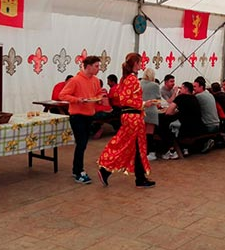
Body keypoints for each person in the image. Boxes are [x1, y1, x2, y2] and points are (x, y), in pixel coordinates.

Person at [97, 53, 156, 188]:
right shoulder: (132, 79)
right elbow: (126, 100)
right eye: (140, 62)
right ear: (135, 63)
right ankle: (106, 170)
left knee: (133, 147)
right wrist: (143, 104)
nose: (141, 65)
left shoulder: (125, 79)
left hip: (130, 116)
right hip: (133, 117)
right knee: (131, 146)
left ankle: (139, 178)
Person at [59, 56, 104, 184]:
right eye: (96, 66)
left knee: (83, 143)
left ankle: (76, 169)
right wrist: (77, 100)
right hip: (77, 115)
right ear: (88, 66)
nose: (98, 69)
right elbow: (62, 95)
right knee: (81, 143)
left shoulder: (95, 80)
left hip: (89, 115)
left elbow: (98, 93)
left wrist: (99, 98)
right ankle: (79, 171)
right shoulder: (75, 80)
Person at [160, 82, 205, 159]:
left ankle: (171, 150)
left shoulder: (181, 97)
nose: (180, 90)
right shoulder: (194, 98)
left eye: (182, 88)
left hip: (186, 129)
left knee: (163, 122)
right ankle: (184, 148)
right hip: (198, 127)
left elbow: (168, 112)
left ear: (186, 89)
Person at [193, 76, 220, 153]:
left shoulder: (199, 96)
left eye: (195, 86)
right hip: (217, 124)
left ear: (201, 87)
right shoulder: (209, 94)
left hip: (209, 126)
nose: (193, 88)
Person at [141, 68, 161, 161]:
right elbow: (158, 98)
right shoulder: (155, 85)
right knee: (150, 133)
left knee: (142, 132)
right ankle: (151, 152)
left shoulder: (139, 83)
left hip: (142, 109)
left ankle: (143, 151)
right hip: (151, 110)